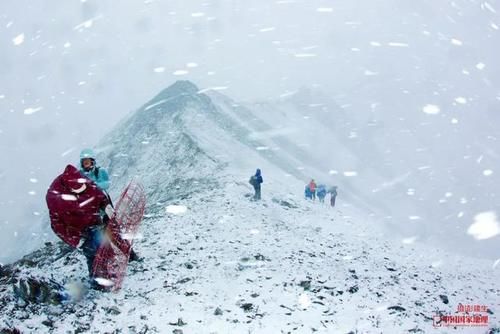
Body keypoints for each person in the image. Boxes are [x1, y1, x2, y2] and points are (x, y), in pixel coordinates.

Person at [46, 164, 111, 289]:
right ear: (69, 188)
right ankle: (97, 282)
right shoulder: (54, 197)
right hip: (77, 229)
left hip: (93, 219)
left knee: (103, 243)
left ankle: (106, 270)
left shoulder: (83, 180)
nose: (82, 190)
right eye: (78, 190)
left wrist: (105, 205)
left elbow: (98, 194)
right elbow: (57, 225)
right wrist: (75, 240)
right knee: (91, 251)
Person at [78, 148, 140, 262]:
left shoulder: (100, 171)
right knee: (101, 239)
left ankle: (131, 255)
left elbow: (106, 183)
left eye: (88, 161)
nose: (86, 164)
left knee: (115, 234)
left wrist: (93, 186)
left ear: (92, 161)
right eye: (84, 162)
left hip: (105, 208)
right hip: (92, 212)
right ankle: (110, 260)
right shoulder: (80, 175)